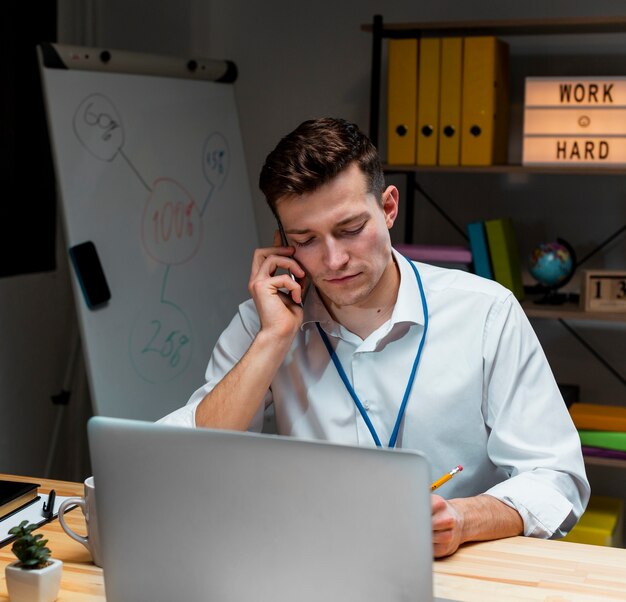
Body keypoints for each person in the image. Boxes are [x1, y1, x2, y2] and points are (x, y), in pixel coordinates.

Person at [159, 117, 589, 557]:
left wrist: (462, 520)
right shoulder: (265, 321)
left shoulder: (486, 312)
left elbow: (557, 479)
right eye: (306, 239)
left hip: (451, 575)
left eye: (350, 229)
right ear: (282, 242)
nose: (334, 259)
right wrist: (273, 339)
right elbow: (185, 465)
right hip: (316, 568)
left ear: (388, 207)